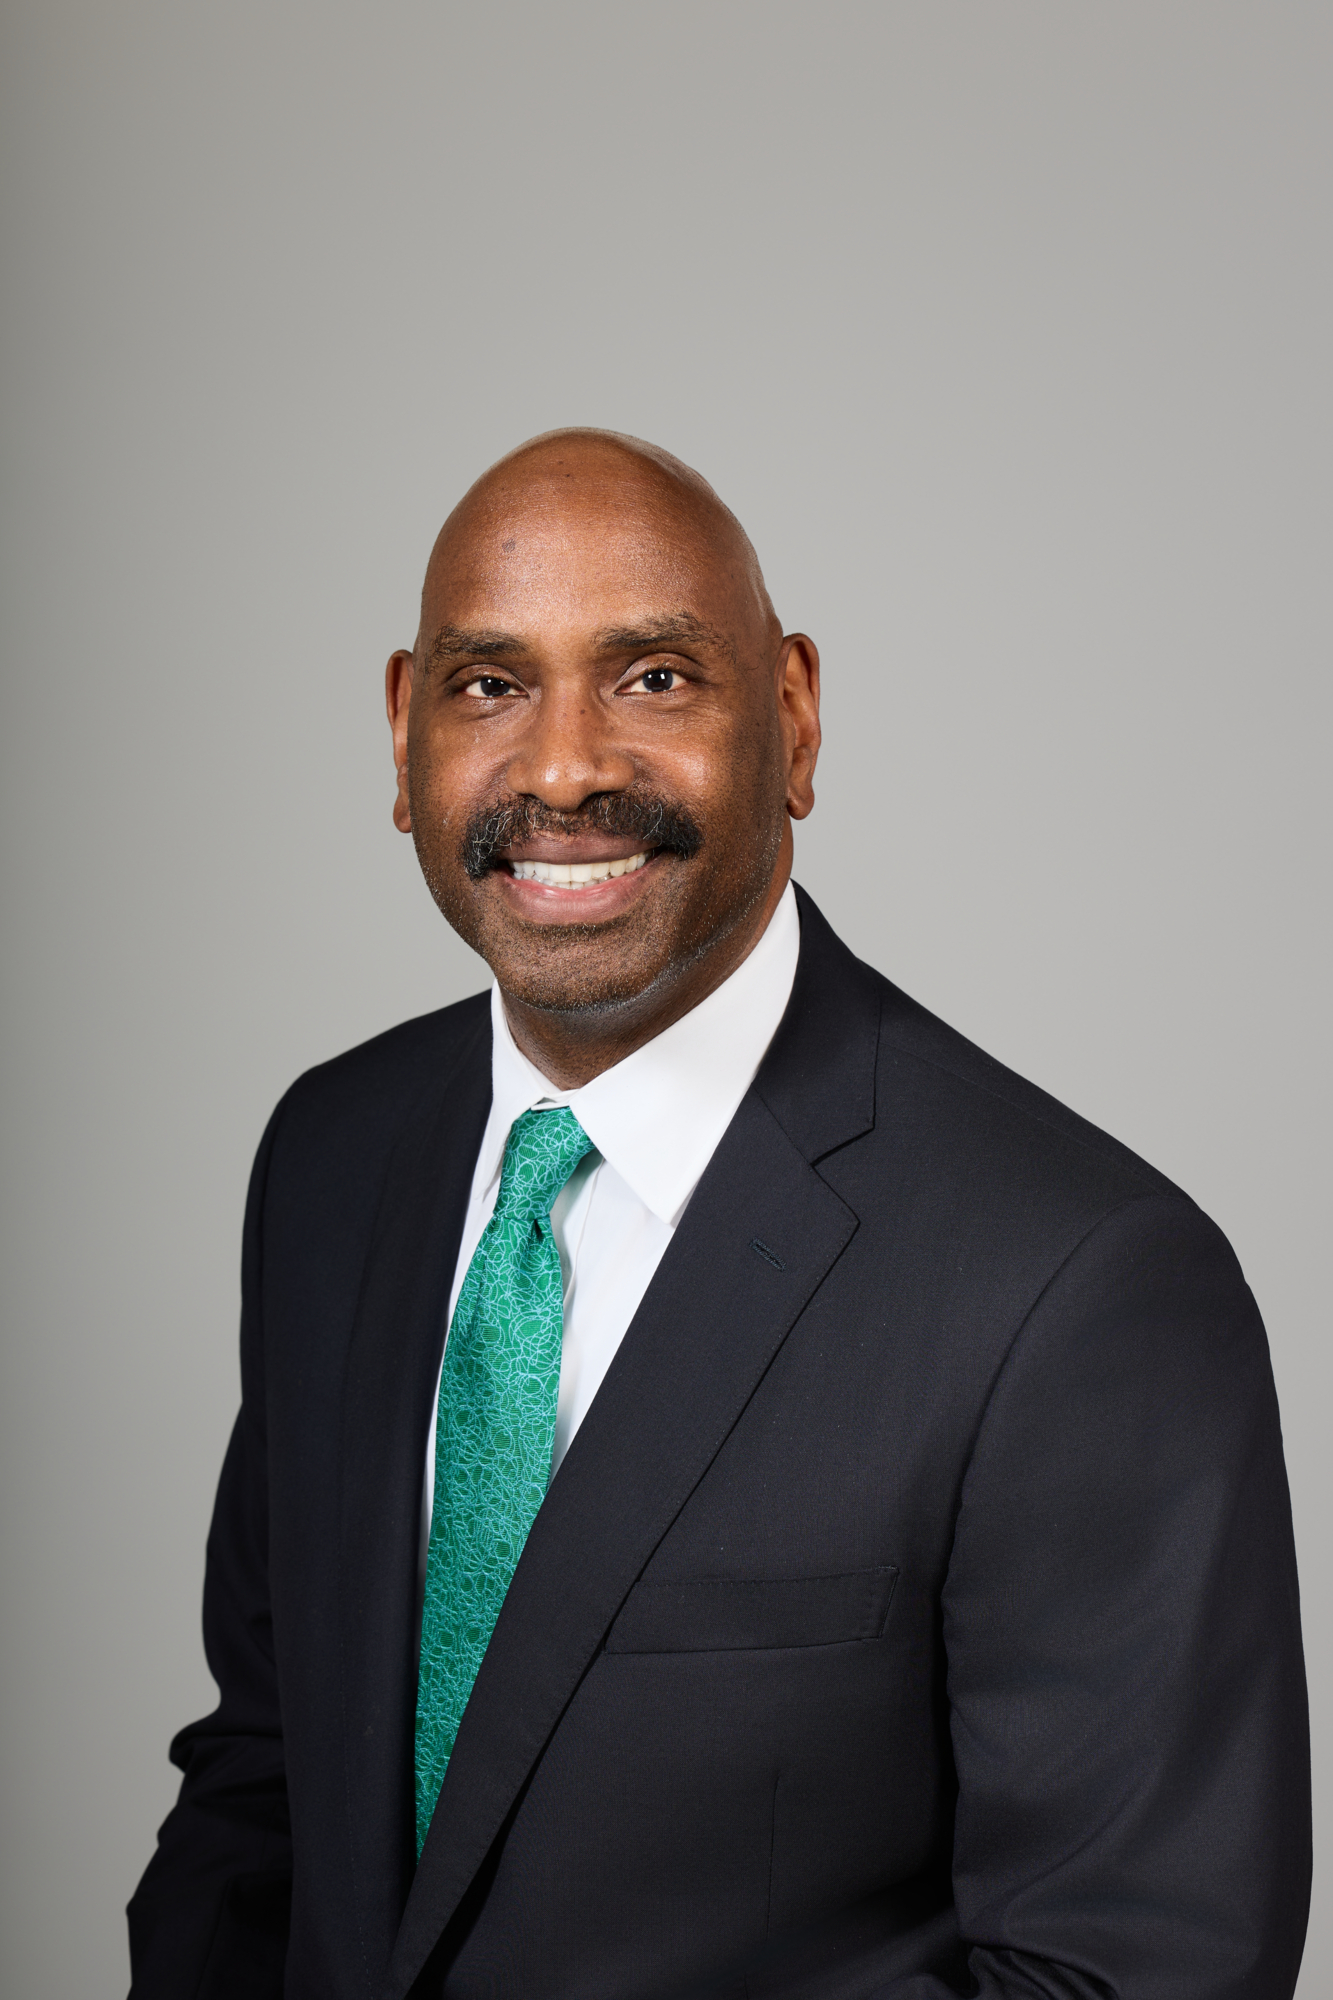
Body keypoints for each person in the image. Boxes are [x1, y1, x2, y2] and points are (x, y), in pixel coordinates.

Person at [126, 430, 1311, 2000]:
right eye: (490, 685)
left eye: (655, 678)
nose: (562, 769)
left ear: (795, 717)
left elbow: (1132, 1971)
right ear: (404, 732)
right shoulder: (332, 1159)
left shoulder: (1078, 1284)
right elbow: (270, 1783)